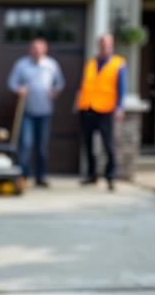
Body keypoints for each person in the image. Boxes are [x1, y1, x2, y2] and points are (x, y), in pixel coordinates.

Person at [7, 37, 65, 188]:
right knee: (26, 144)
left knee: (42, 147)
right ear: (30, 50)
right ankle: (23, 176)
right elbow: (12, 82)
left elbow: (60, 83)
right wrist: (19, 89)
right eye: (34, 48)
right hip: (27, 112)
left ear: (45, 50)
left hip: (45, 112)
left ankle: (41, 177)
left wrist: (55, 91)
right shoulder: (22, 65)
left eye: (40, 49)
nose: (37, 51)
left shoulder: (51, 65)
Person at [76, 33, 126, 191]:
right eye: (102, 43)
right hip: (87, 107)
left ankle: (110, 176)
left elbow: (122, 87)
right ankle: (91, 175)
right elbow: (85, 84)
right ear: (99, 44)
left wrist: (119, 107)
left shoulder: (119, 63)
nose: (104, 45)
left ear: (112, 44)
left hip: (106, 109)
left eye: (107, 43)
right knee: (88, 143)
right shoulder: (91, 63)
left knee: (107, 144)